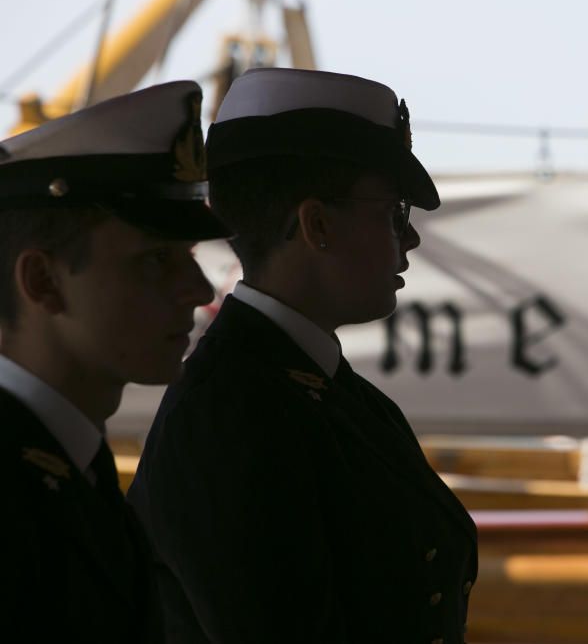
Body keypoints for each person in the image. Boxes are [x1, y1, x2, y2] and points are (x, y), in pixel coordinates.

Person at [128, 68, 478, 644]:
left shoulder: (330, 394)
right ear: (317, 224)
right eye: (394, 212)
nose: (409, 240)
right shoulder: (229, 414)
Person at [0, 82, 230, 642]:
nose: (198, 289)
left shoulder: (72, 460)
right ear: (43, 282)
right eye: (156, 260)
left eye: (190, 258)